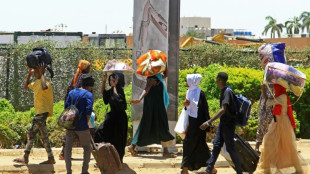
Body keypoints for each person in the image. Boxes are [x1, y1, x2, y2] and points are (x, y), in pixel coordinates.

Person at [254, 84, 308, 174]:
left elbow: (268, 102)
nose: (274, 89)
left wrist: (263, 90)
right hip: (276, 122)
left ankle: (298, 169)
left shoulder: (282, 96)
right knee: (270, 143)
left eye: (276, 87)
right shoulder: (279, 95)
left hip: (282, 123)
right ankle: (267, 169)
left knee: (287, 146)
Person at [200, 72, 242, 174]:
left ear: (219, 79)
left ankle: (240, 171)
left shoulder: (227, 92)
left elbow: (223, 109)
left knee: (230, 147)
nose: (216, 80)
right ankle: (209, 169)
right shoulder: (224, 90)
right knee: (217, 145)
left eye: (216, 78)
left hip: (228, 124)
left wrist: (209, 122)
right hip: (224, 123)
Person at [128, 68, 176, 158]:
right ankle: (165, 152)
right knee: (162, 125)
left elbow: (165, 74)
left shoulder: (157, 76)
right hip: (155, 107)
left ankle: (133, 146)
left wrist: (165, 64)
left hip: (155, 106)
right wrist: (139, 99)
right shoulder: (152, 78)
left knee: (146, 125)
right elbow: (146, 89)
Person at [13, 64, 56, 164]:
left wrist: (41, 75)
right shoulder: (35, 82)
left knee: (31, 133)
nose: (35, 74)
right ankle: (51, 158)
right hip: (39, 112)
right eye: (35, 72)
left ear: (42, 72)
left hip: (43, 112)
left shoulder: (46, 82)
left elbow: (44, 87)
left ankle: (25, 156)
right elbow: (25, 86)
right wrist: (29, 74)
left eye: (37, 72)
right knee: (44, 136)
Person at [180, 74, 215, 174]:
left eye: (187, 81)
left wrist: (209, 125)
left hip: (200, 125)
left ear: (192, 81)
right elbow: (189, 108)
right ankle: (212, 169)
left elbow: (205, 110)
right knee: (201, 147)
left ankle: (185, 169)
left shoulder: (200, 93)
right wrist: (186, 105)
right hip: (192, 123)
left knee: (188, 144)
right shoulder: (189, 92)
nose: (186, 83)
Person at [60, 60, 91, 160]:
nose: (90, 69)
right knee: (75, 129)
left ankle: (64, 153)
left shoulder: (77, 76)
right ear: (85, 68)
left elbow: (70, 91)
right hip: (78, 108)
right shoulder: (83, 78)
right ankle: (64, 153)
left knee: (72, 129)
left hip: (72, 107)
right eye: (89, 67)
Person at [94, 71, 128, 163]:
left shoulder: (120, 90)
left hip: (120, 118)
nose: (111, 81)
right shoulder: (111, 90)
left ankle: (119, 160)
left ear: (118, 81)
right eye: (110, 80)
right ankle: (106, 157)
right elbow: (104, 95)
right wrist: (104, 81)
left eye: (113, 80)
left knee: (119, 140)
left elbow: (118, 100)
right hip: (112, 117)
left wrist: (115, 87)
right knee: (99, 132)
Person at [64, 74, 94, 174]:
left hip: (70, 125)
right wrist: (86, 123)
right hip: (82, 126)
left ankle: (69, 171)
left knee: (68, 148)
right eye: (91, 87)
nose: (91, 89)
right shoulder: (88, 95)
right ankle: (84, 171)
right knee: (87, 147)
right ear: (88, 86)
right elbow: (88, 111)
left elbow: (66, 107)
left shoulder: (72, 92)